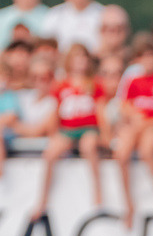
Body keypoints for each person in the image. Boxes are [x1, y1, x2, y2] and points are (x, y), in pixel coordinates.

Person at [34, 44, 108, 221]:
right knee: (50, 153)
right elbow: (55, 112)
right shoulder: (61, 86)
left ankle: (97, 191)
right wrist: (54, 134)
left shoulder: (94, 84)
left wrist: (105, 135)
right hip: (67, 129)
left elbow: (101, 112)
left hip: (88, 128)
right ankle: (42, 199)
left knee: (89, 146)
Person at [115, 35, 153, 226]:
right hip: (137, 125)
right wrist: (134, 115)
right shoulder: (134, 81)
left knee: (147, 152)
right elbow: (124, 105)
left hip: (151, 126)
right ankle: (128, 205)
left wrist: (150, 122)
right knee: (121, 154)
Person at [16, 55, 57, 137]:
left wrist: (14, 126)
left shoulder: (55, 100)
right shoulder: (23, 95)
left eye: (43, 77)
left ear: (52, 77)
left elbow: (41, 130)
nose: (38, 81)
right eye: (34, 77)